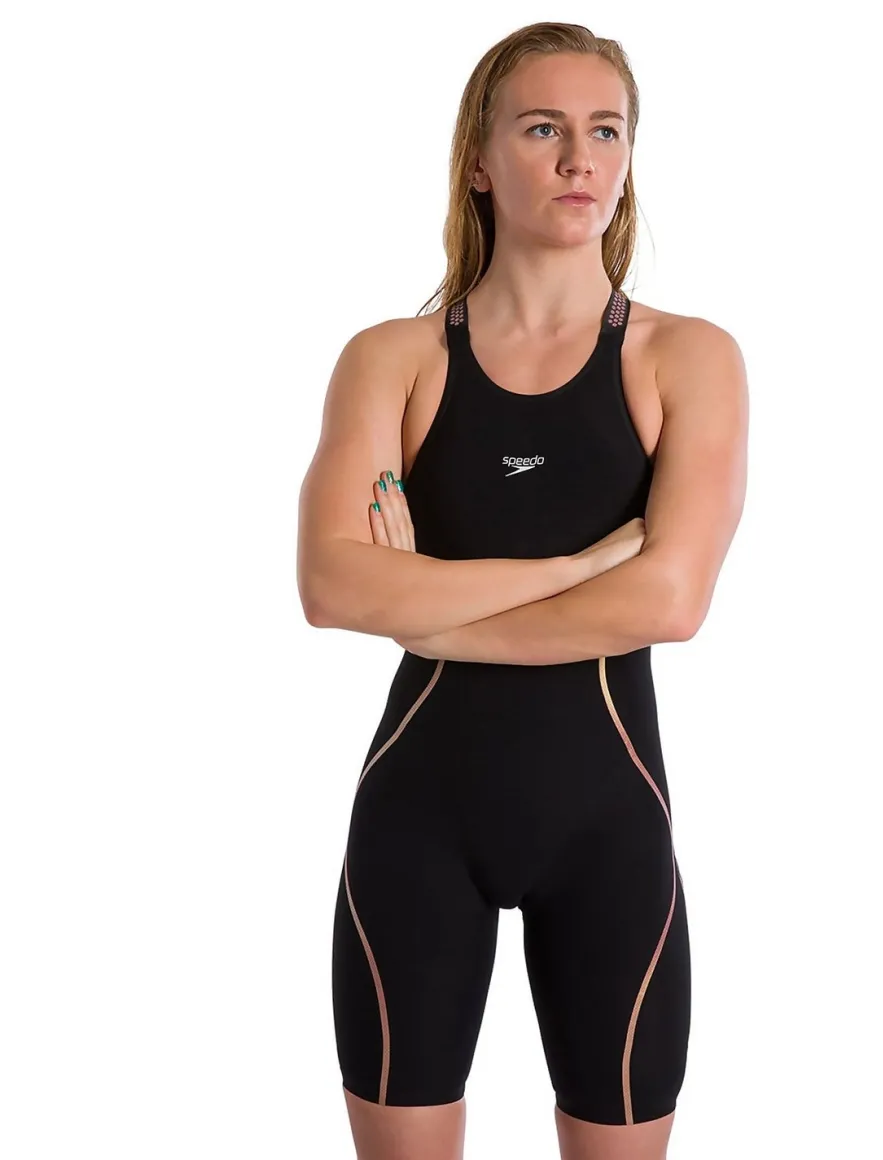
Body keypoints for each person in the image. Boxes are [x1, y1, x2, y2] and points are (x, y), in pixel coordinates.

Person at [297, 21, 748, 1160]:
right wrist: (578, 566)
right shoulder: (392, 359)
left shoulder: (683, 358)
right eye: (543, 128)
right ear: (479, 160)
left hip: (610, 831)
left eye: (606, 130)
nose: (579, 158)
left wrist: (429, 605)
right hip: (414, 825)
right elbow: (332, 584)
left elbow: (669, 601)